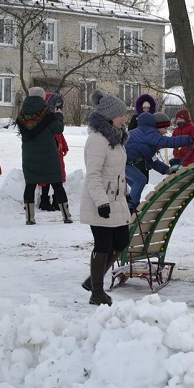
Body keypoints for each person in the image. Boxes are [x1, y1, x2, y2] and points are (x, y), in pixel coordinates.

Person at [79, 90, 132, 306]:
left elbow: (118, 172)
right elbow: (93, 174)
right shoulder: (98, 140)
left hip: (116, 199)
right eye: (121, 115)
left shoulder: (116, 138)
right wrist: (101, 201)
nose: (124, 118)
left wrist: (126, 195)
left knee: (121, 241)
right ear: (110, 116)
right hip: (99, 200)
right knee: (102, 245)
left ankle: (94, 280)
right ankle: (97, 292)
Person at [125, 111, 194, 213]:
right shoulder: (150, 134)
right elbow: (169, 142)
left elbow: (152, 160)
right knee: (140, 180)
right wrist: (193, 139)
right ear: (158, 126)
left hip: (123, 161)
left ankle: (129, 205)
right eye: (165, 128)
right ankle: (130, 209)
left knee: (136, 183)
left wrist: (166, 170)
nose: (165, 132)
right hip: (118, 161)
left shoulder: (148, 136)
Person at [16, 86, 72, 225]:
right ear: (42, 98)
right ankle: (66, 216)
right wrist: (58, 115)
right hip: (49, 157)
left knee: (30, 185)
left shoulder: (22, 115)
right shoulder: (47, 114)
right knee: (57, 185)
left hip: (29, 157)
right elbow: (58, 129)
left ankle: (30, 218)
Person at [39, 93, 69, 212]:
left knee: (57, 178)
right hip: (48, 152)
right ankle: (44, 200)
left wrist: (64, 147)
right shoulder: (46, 119)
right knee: (46, 179)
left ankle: (56, 201)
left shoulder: (55, 117)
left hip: (57, 153)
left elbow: (60, 134)